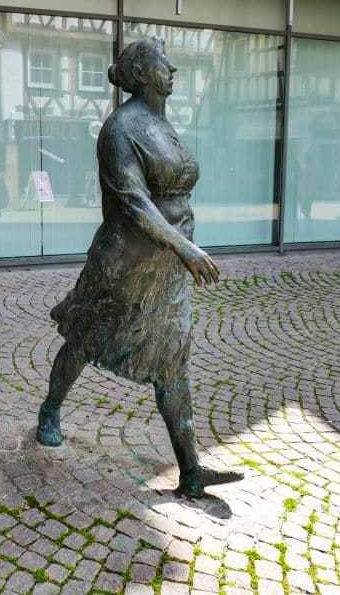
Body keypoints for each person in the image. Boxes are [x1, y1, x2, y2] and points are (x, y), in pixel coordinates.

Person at [36, 37, 241, 498]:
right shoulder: (120, 128)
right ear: (142, 72)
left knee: (173, 359)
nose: (172, 68)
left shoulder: (163, 125)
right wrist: (185, 249)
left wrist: (180, 249)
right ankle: (51, 408)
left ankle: (190, 469)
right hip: (125, 261)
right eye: (161, 62)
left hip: (167, 265)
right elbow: (133, 202)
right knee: (85, 338)